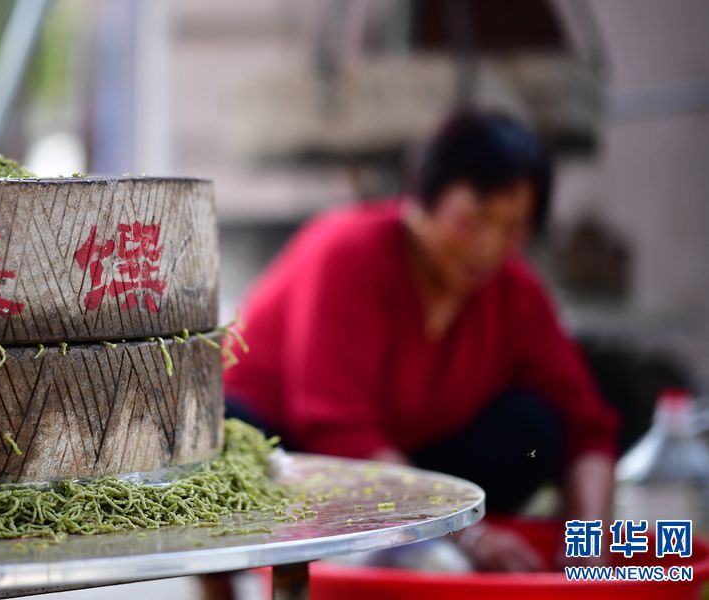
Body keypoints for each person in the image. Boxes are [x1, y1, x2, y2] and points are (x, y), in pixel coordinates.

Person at [224, 111, 620, 572]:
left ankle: (433, 545)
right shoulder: (347, 253)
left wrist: (590, 546)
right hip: (298, 460)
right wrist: (464, 530)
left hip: (406, 465)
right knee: (234, 440)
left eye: (512, 230)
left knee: (535, 428)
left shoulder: (516, 291)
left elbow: (586, 425)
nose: (489, 247)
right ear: (424, 197)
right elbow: (335, 428)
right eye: (473, 222)